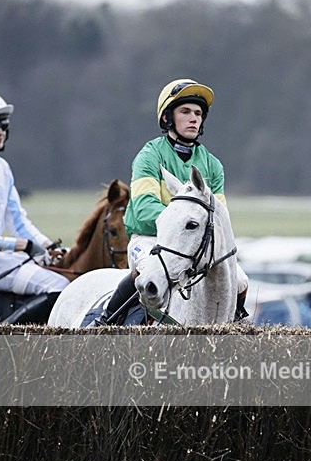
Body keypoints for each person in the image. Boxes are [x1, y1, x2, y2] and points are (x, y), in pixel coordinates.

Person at [91, 78, 247, 325]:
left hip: (193, 246)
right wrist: (180, 227)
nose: (193, 118)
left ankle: (235, 320)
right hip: (150, 240)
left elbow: (220, 219)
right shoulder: (149, 156)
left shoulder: (213, 166)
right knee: (148, 273)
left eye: (198, 113)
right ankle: (106, 320)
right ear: (167, 118)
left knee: (238, 279)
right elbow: (143, 209)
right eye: (185, 112)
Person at [0, 90, 68, 324]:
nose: (0, 132)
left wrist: (47, 245)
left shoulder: (2, 168)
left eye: (4, 125)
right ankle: (4, 340)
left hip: (0, 256)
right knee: (57, 286)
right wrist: (23, 245)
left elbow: (18, 221)